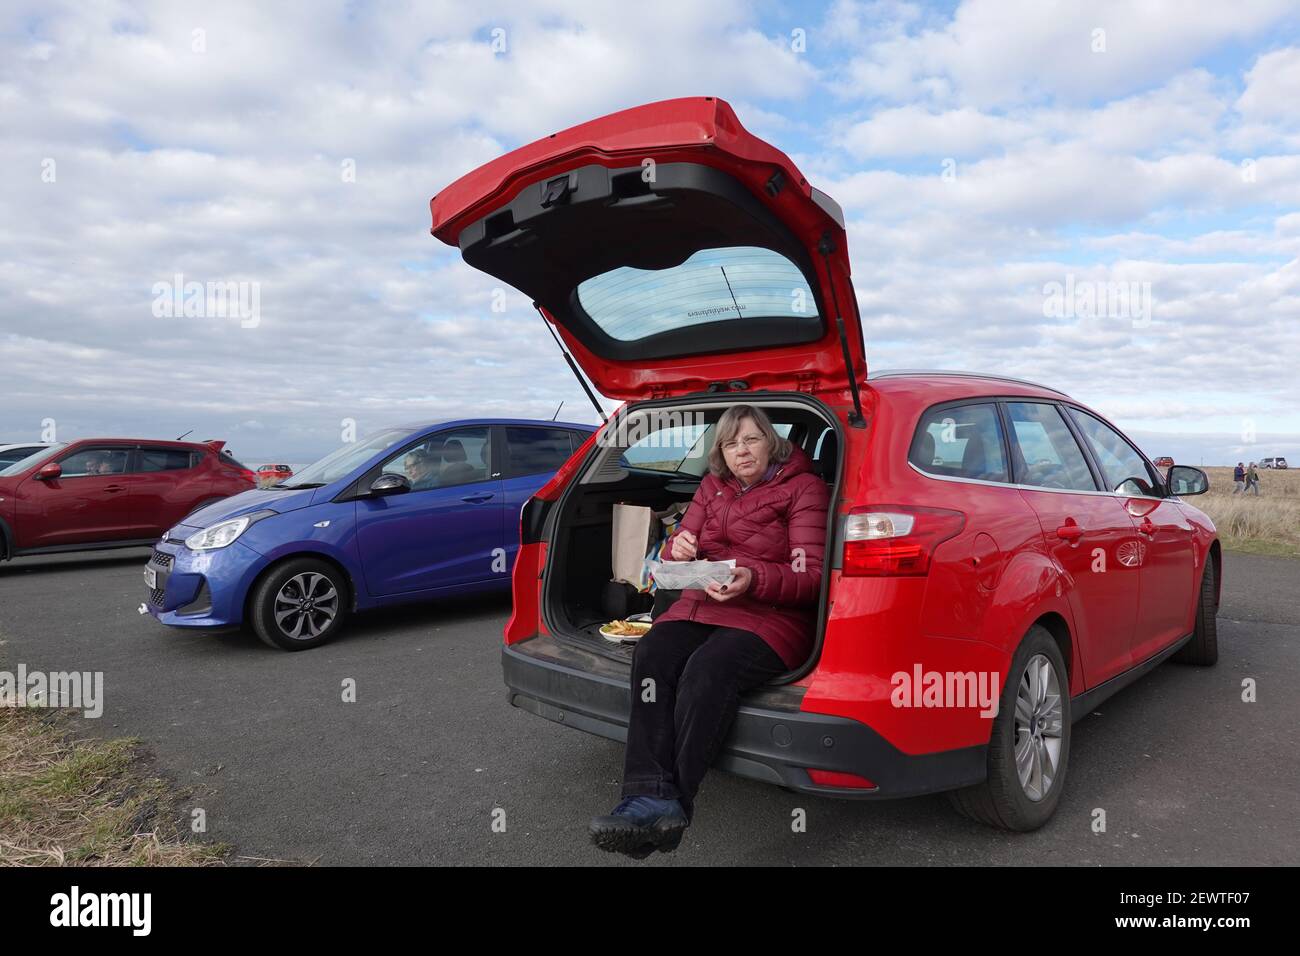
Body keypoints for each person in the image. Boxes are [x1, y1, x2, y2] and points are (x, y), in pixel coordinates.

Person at [588, 404, 829, 858]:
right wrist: (678, 550)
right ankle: (648, 797)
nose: (742, 450)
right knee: (653, 652)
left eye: (752, 439)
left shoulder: (803, 489)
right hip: (701, 606)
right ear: (720, 451)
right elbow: (680, 560)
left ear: (772, 443)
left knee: (708, 668)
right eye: (731, 442)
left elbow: (812, 576)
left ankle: (667, 805)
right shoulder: (711, 487)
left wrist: (753, 577)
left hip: (774, 617)